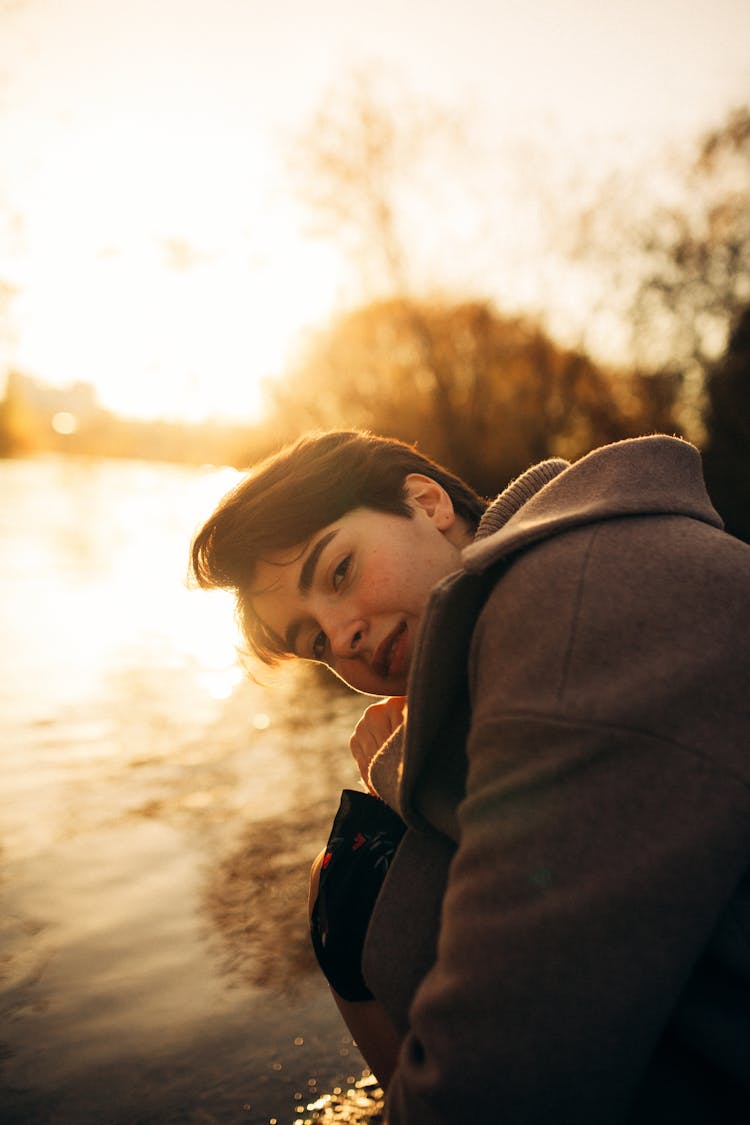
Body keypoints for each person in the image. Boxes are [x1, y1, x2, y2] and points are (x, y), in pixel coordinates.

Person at [190, 430, 750, 1124]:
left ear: (426, 503)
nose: (342, 641)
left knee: (346, 880)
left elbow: (501, 1083)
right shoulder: (565, 574)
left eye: (337, 571)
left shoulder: (573, 601)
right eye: (315, 642)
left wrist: (400, 774)